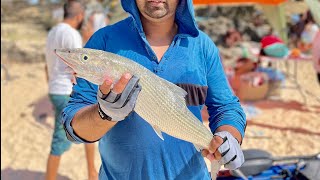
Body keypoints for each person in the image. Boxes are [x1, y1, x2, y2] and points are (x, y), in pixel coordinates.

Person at [62, 0, 246, 179]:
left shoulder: (202, 46)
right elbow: (75, 128)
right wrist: (104, 113)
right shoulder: (104, 40)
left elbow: (226, 106)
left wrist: (228, 137)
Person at [44, 1, 98, 180]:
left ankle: (92, 172)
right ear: (79, 16)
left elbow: (47, 65)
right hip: (67, 90)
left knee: (86, 129)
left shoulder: (52, 32)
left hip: (55, 89)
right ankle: (89, 174)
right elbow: (81, 66)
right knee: (61, 139)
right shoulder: (72, 34)